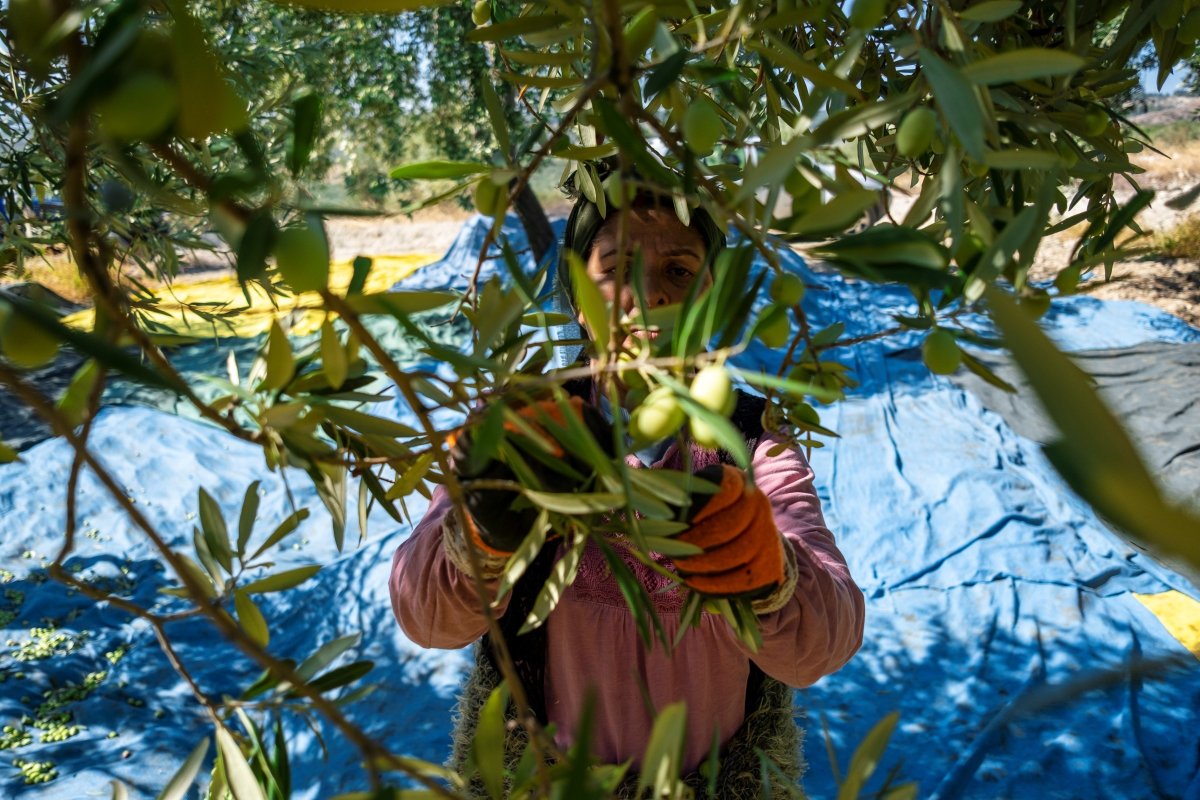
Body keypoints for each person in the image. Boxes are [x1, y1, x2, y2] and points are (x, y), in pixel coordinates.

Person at [389, 187, 865, 797]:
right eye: (617, 271)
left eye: (678, 270)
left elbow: (823, 645)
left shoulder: (754, 441)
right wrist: (482, 534)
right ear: (581, 304)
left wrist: (771, 575)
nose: (650, 294)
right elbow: (424, 616)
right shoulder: (521, 432)